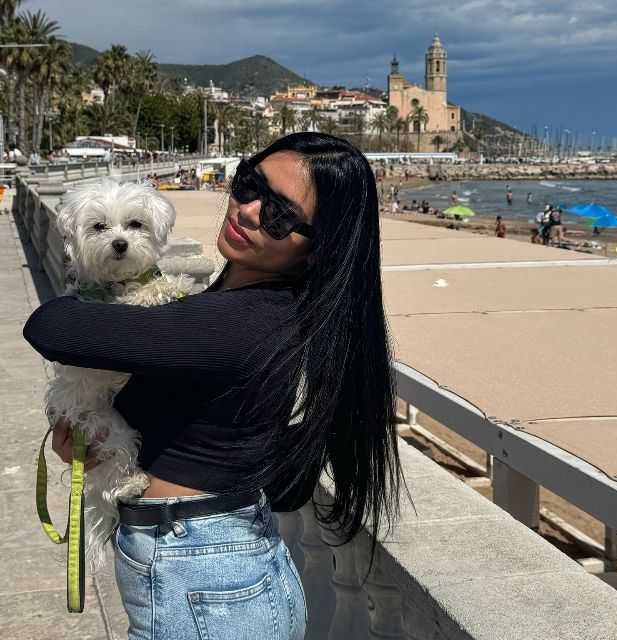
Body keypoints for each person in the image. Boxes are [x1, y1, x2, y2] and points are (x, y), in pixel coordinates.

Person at [23, 133, 402, 639]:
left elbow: (51, 326)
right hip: (218, 570)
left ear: (320, 246)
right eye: (248, 185)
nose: (248, 211)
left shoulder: (238, 321)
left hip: (204, 579)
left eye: (280, 216)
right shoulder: (242, 302)